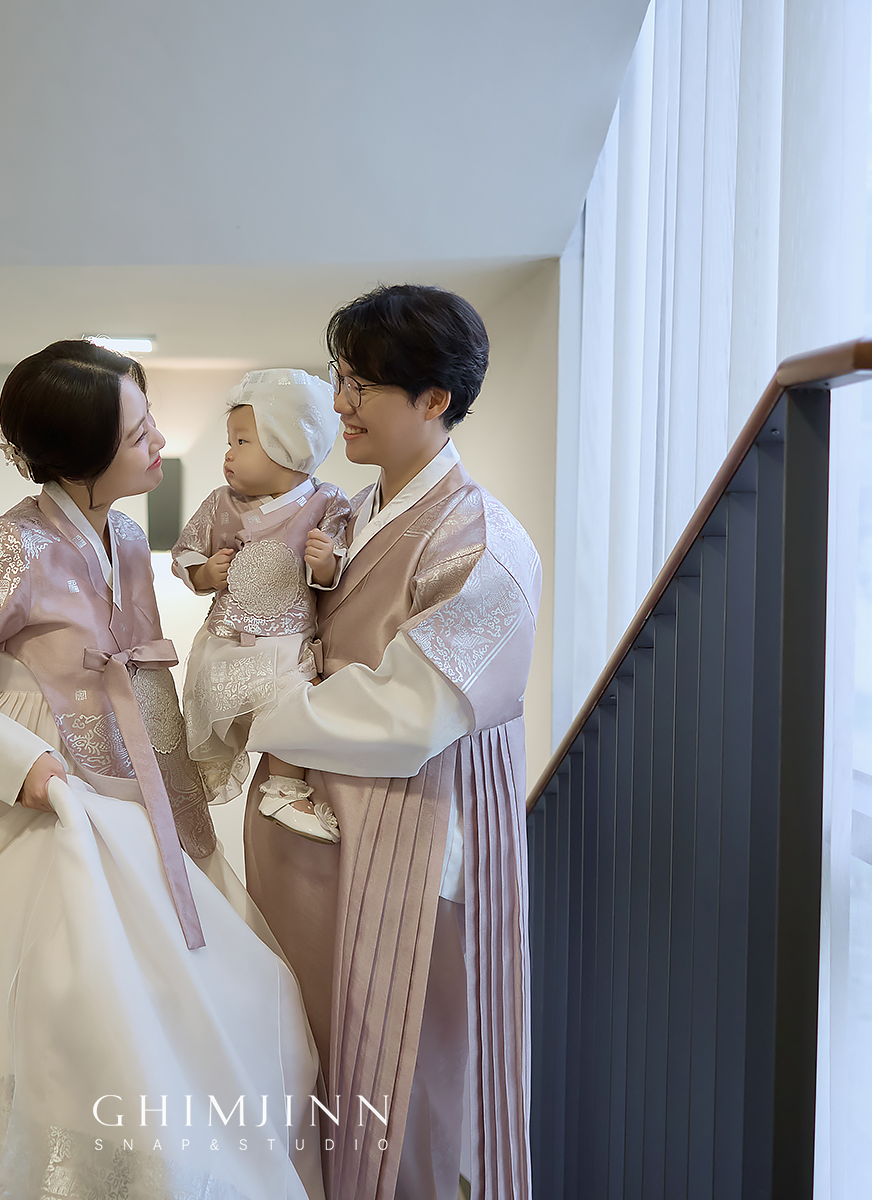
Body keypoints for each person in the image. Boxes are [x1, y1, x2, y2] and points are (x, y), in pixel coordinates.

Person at [0, 340, 324, 1200]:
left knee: (221, 1003)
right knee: (70, 1016)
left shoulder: (128, 535)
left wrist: (184, 816)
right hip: (43, 811)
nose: (160, 442)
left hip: (135, 797)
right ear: (81, 454)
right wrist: (25, 766)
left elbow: (142, 676)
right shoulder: (10, 547)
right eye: (139, 433)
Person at [245, 287, 541, 1200]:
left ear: (434, 399)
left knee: (398, 1082)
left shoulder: (482, 544)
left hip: (411, 830)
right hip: (320, 819)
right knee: (313, 1060)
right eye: (340, 377)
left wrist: (260, 709)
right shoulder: (351, 512)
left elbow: (411, 715)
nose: (340, 403)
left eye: (362, 384)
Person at [170, 368, 352, 841]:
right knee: (211, 712)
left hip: (285, 641)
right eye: (229, 443)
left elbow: (337, 570)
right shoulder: (220, 503)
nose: (228, 455)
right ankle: (197, 782)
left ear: (286, 445)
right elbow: (185, 552)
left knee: (292, 702)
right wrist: (205, 573)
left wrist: (325, 566)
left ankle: (283, 788)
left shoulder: (326, 502)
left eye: (242, 442)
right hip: (225, 638)